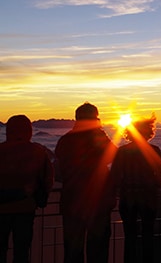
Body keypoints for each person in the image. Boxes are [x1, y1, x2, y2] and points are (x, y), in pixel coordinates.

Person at [55, 102, 117, 263]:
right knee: (98, 250)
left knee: (72, 250)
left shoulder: (65, 140)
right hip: (99, 202)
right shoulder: (99, 138)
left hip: (72, 202)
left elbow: (59, 173)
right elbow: (113, 156)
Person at [111, 115, 161, 263]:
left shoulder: (122, 151)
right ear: (148, 132)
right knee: (148, 235)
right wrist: (155, 184)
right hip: (148, 197)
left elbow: (115, 174)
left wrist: (117, 190)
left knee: (130, 236)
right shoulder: (153, 150)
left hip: (127, 197)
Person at [0, 115, 54, 263]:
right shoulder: (38, 152)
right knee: (22, 251)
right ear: (28, 131)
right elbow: (48, 180)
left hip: (1, 210)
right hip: (26, 208)